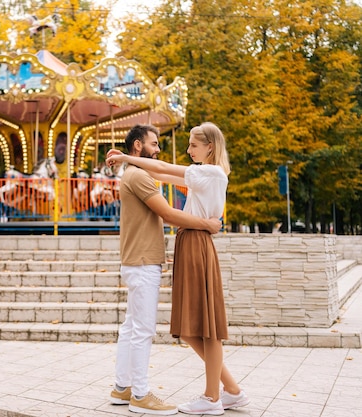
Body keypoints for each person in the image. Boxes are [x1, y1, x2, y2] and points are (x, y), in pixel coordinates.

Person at [107, 122, 250, 416]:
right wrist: (129, 162)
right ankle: (231, 390)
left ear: (210, 146)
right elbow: (160, 172)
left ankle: (213, 397)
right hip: (190, 242)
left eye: (193, 146)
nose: (188, 151)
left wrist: (124, 159)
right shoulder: (201, 174)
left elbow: (161, 169)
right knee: (191, 328)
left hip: (196, 242)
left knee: (205, 325)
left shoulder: (209, 172)